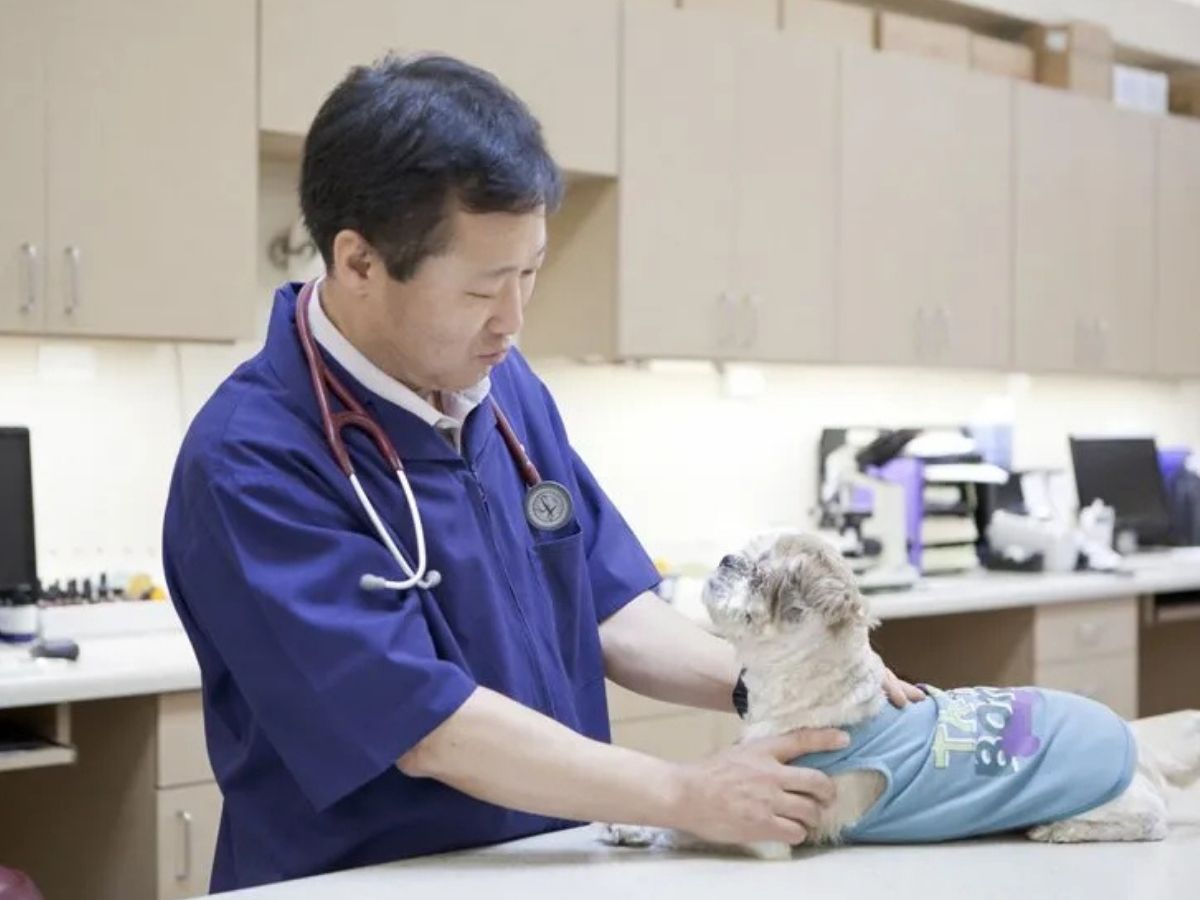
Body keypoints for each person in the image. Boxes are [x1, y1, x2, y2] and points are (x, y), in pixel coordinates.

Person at [162, 54, 922, 892]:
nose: (514, 321)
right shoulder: (253, 460)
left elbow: (606, 604)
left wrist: (778, 686)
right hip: (367, 878)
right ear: (360, 263)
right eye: (484, 289)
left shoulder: (499, 392)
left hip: (543, 864)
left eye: (530, 273)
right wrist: (684, 792)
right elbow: (425, 724)